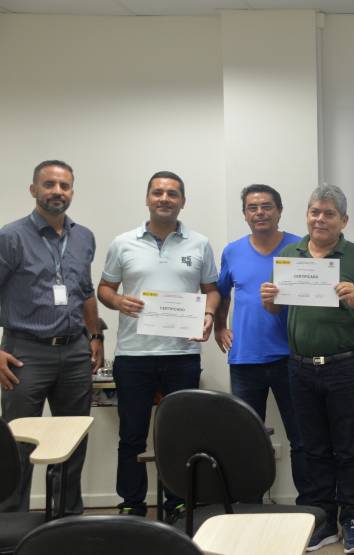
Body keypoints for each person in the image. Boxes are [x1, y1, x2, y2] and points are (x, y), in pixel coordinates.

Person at [261, 184, 354, 554]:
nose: (320, 219)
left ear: (343, 220)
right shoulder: (290, 253)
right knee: (313, 449)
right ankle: (322, 519)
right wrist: (269, 300)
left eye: (329, 213)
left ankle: (351, 519)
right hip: (299, 368)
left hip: (342, 367)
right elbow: (276, 310)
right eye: (315, 211)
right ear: (307, 215)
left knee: (345, 448)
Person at [98, 170, 219, 520]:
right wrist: (118, 301)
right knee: (132, 435)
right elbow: (104, 289)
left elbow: (212, 289)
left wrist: (209, 314)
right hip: (134, 355)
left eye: (172, 193)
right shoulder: (123, 243)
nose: (165, 198)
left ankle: (179, 501)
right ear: (148, 198)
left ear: (182, 201)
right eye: (158, 192)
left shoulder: (199, 243)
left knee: (181, 434)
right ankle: (132, 503)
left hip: (182, 354)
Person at [0, 160, 103, 515]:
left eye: (64, 186)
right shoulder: (10, 237)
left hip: (74, 351)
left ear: (71, 191)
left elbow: (85, 291)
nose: (57, 192)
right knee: (18, 442)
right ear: (33, 190)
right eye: (49, 185)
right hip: (24, 353)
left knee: (74, 440)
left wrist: (95, 337)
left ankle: (67, 519)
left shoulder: (84, 236)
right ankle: (10, 524)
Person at [215, 184, 305, 504]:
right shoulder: (232, 251)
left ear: (279, 211)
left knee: (301, 439)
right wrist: (218, 326)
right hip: (245, 360)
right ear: (244, 214)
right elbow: (222, 291)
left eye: (266, 207)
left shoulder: (300, 247)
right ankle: (249, 505)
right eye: (252, 208)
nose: (260, 213)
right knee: (246, 440)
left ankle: (307, 504)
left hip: (291, 358)